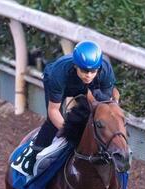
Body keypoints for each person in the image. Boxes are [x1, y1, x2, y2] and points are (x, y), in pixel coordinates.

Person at [12, 40, 119, 176]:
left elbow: (106, 107)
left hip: (86, 87)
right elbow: (53, 111)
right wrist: (70, 132)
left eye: (93, 71)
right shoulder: (58, 73)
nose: (89, 75)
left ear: (99, 68)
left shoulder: (105, 70)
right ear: (75, 66)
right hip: (61, 85)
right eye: (85, 71)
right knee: (52, 123)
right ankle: (33, 156)